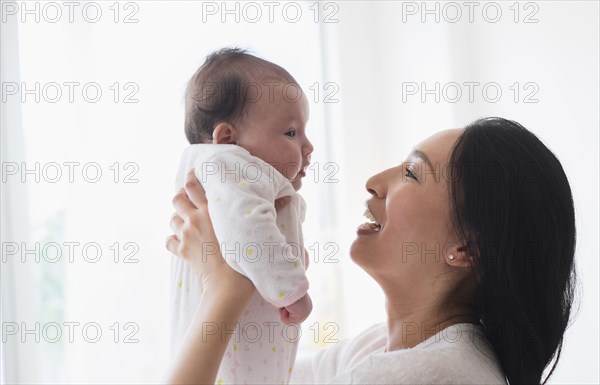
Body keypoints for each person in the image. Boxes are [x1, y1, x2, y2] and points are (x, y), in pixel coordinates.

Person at [166, 117, 577, 385]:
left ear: (466, 247)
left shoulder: (428, 375)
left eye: (412, 173)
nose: (375, 181)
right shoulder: (383, 348)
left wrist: (225, 285)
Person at [171, 48, 314, 385]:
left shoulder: (236, 177)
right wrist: (293, 291)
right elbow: (247, 231)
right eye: (291, 133)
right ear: (227, 138)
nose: (308, 146)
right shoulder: (227, 164)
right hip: (231, 362)